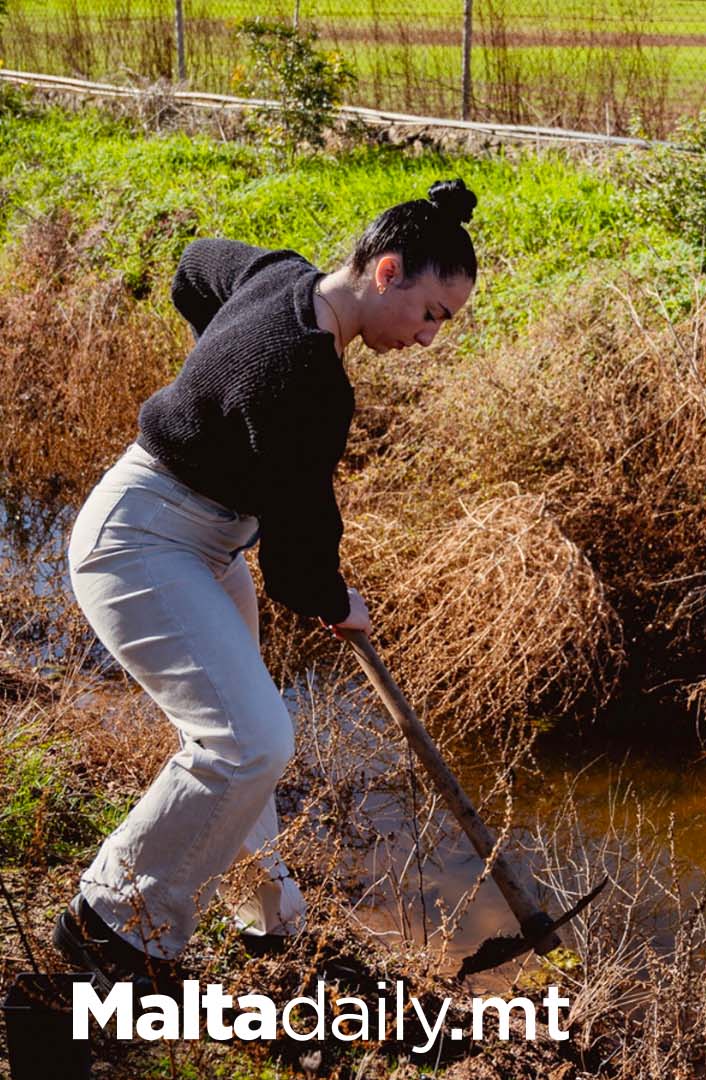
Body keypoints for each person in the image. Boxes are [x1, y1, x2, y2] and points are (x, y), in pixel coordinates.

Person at [54, 179, 480, 989]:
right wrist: (334, 602)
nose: (429, 339)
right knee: (249, 742)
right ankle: (109, 926)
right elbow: (296, 559)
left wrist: (211, 377)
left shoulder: (280, 276)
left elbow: (194, 268)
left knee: (244, 734)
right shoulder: (307, 383)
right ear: (387, 272)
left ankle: (270, 921)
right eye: (432, 314)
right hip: (140, 540)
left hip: (206, 544)